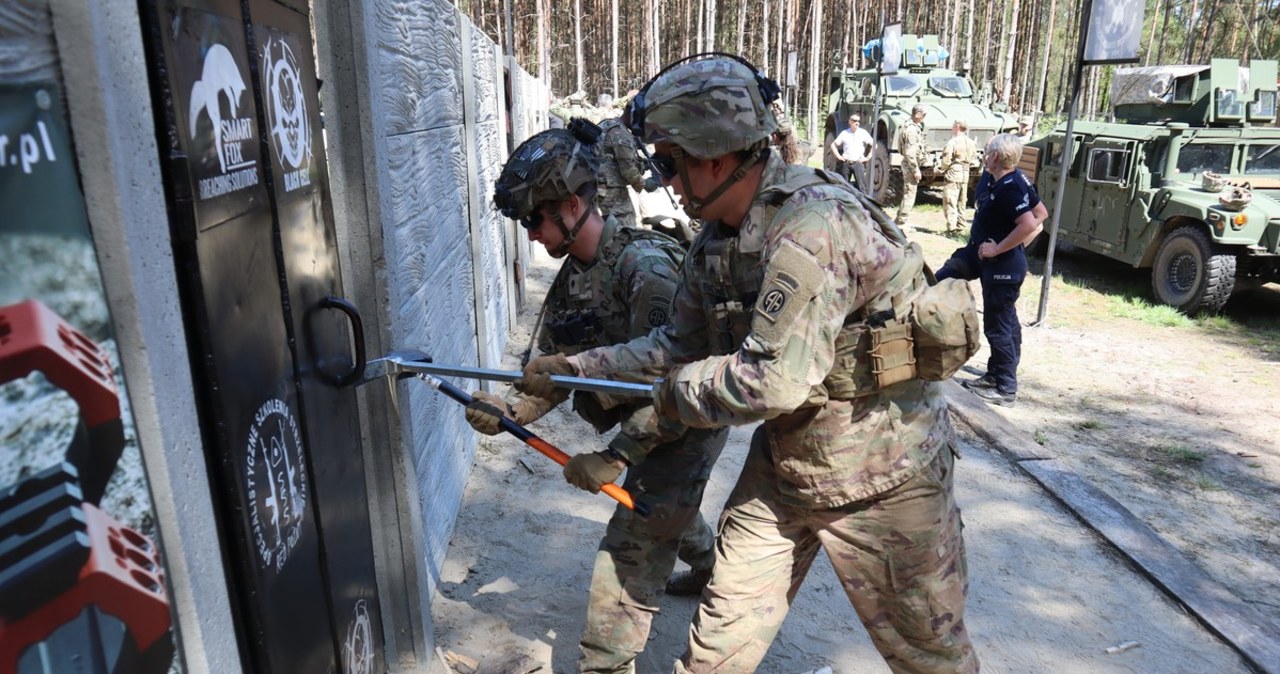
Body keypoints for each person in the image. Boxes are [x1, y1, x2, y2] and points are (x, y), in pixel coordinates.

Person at [521, 55, 979, 674]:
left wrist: (667, 398)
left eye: (671, 160)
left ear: (713, 154)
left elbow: (772, 381)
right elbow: (673, 347)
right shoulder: (717, 241)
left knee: (932, 658)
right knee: (713, 653)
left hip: (885, 473)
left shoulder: (812, 226)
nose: (668, 180)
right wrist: (573, 367)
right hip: (788, 470)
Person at [473, 125, 730, 673]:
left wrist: (616, 457)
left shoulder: (647, 269)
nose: (533, 234)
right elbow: (553, 373)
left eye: (535, 220)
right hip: (648, 416)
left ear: (571, 205)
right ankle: (711, 566)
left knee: (632, 545)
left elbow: (677, 389)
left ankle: (604, 662)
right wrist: (510, 411)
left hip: (689, 417)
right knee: (664, 506)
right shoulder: (572, 282)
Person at [937, 133, 1048, 407]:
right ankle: (995, 374)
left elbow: (1033, 222)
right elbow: (1042, 212)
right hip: (978, 253)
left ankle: (1005, 387)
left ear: (996, 157)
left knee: (999, 326)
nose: (983, 155)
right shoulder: (996, 177)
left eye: (986, 152)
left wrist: (1001, 248)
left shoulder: (1012, 185)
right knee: (942, 277)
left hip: (1001, 264)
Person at [596, 116, 648, 226]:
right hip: (612, 192)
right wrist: (643, 184)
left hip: (598, 187)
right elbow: (627, 170)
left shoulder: (606, 124)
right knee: (625, 229)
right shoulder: (620, 132)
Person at [940, 120, 978, 234]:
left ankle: (951, 228)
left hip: (954, 173)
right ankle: (961, 226)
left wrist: (942, 168)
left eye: (953, 126)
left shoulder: (953, 142)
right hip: (965, 173)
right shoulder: (971, 142)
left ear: (957, 127)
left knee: (950, 201)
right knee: (962, 202)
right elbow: (974, 158)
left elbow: (946, 160)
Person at [896, 103, 928, 227]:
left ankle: (899, 219)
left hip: (910, 164)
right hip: (910, 165)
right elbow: (910, 153)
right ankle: (902, 223)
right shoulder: (911, 130)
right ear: (918, 114)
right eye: (924, 114)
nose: (924, 117)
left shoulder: (911, 126)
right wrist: (916, 170)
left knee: (908, 193)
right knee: (910, 194)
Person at [830, 113, 874, 190]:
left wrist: (867, 158)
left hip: (858, 163)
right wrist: (838, 156)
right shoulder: (844, 133)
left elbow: (874, 145)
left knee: (862, 188)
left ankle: (862, 202)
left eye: (858, 121)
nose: (857, 122)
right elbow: (833, 145)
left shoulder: (863, 133)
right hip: (846, 163)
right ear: (850, 122)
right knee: (844, 188)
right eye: (854, 120)